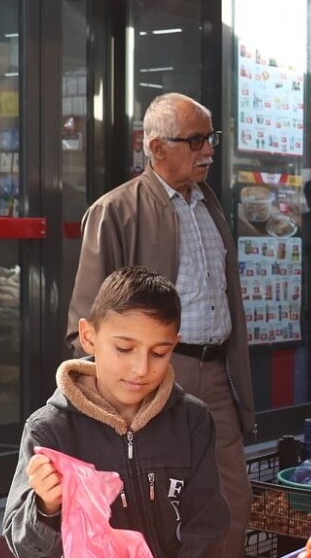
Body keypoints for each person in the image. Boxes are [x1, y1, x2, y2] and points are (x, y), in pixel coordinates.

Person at [67, 92, 254, 556]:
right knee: (158, 507)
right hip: (153, 375)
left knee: (231, 501)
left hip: (217, 372)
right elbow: (84, 325)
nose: (208, 150)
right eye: (195, 140)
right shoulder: (116, 211)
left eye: (210, 138)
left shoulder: (209, 206)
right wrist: (107, 398)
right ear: (155, 147)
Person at [4, 266, 229, 557]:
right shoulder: (49, 429)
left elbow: (208, 524)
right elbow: (23, 546)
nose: (141, 368)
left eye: (159, 353)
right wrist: (46, 507)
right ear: (88, 336)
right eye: (124, 348)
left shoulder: (192, 420)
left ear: (174, 344)